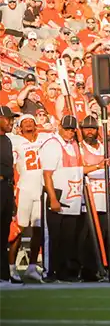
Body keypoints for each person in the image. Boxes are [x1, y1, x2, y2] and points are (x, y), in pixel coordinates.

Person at [39, 116, 86, 283]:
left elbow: (78, 169)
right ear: (59, 127)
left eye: (72, 129)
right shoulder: (53, 145)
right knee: (53, 236)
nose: (70, 132)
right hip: (57, 194)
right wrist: (53, 198)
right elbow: (47, 174)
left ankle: (64, 271)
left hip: (71, 195)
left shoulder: (73, 145)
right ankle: (49, 271)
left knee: (68, 237)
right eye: (67, 129)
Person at [79, 115, 110, 280]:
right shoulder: (79, 147)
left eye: (93, 128)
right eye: (86, 128)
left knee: (106, 233)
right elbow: (79, 168)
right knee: (87, 235)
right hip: (88, 198)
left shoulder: (105, 147)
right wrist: (97, 166)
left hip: (106, 196)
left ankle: (103, 267)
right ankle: (88, 270)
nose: (89, 131)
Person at [8, 114, 44, 283]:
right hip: (25, 188)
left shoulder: (43, 139)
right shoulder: (16, 141)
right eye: (25, 122)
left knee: (38, 230)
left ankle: (31, 267)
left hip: (40, 189)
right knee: (19, 229)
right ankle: (11, 266)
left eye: (31, 121)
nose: (29, 124)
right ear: (20, 127)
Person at [0, 106, 15, 287]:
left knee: (3, 235)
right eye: (8, 118)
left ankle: (3, 274)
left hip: (6, 190)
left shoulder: (7, 140)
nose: (11, 122)